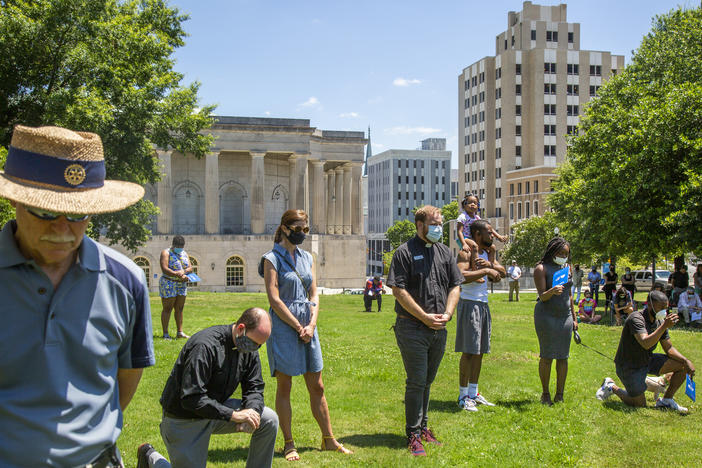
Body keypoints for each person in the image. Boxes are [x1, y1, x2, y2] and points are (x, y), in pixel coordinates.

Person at [0, 125, 154, 467]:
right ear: (14, 198)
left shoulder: (126, 281)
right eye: (44, 211)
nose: (61, 228)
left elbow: (125, 378)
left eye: (77, 213)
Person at [260, 209, 351, 461]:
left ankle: (329, 439)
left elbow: (314, 294)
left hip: (309, 327)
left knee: (317, 385)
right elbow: (274, 299)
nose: (301, 234)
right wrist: (296, 326)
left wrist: (310, 325)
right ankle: (289, 443)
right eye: (297, 229)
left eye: (305, 229)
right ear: (285, 228)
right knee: (285, 385)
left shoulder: (307, 257)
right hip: (284, 327)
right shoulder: (271, 259)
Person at [142, 307, 279, 468]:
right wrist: (234, 415)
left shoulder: (249, 348)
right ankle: (150, 456)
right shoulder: (204, 346)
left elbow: (254, 387)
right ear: (241, 328)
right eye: (254, 343)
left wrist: (252, 412)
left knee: (268, 419)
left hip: (215, 412)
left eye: (259, 346)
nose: (255, 349)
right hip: (184, 418)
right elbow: (191, 398)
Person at [387, 205, 463, 456]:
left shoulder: (444, 252)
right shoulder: (404, 252)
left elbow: (455, 286)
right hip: (412, 328)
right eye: (434, 224)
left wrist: (448, 314)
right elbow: (398, 290)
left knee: (427, 381)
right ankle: (413, 434)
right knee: (417, 380)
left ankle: (424, 428)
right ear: (420, 225)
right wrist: (423, 316)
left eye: (440, 223)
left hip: (438, 328)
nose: (439, 228)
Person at [596, 291, 696, 413]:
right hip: (629, 365)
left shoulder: (660, 321)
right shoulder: (636, 318)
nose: (664, 311)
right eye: (661, 307)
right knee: (639, 404)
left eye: (666, 308)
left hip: (647, 360)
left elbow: (669, 348)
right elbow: (645, 343)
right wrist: (664, 326)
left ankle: (667, 400)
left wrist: (686, 361)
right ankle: (611, 386)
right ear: (649, 304)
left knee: (682, 365)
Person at [455, 220, 506, 412]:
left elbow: (502, 273)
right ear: (477, 234)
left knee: (480, 351)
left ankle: (474, 393)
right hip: (469, 304)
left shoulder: (485, 254)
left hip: (483, 305)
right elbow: (459, 276)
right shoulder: (465, 253)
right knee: (469, 352)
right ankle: (463, 396)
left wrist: (491, 265)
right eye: (489, 232)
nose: (492, 236)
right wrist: (485, 270)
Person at [533, 237, 576, 405]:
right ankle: (545, 394)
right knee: (547, 355)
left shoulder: (567, 268)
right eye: (561, 253)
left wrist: (574, 317)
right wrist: (552, 291)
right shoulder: (541, 269)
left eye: (566, 253)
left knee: (563, 356)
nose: (564, 256)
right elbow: (542, 296)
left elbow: (570, 295)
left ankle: (560, 394)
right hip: (546, 316)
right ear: (552, 252)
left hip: (565, 316)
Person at [456, 195, 507, 282]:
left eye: (475, 203)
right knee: (474, 246)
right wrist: (464, 243)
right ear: (464, 205)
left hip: (472, 239)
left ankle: (490, 271)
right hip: (465, 238)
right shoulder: (463, 217)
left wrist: (498, 236)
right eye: (469, 203)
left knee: (493, 247)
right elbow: (459, 231)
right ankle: (476, 271)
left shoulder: (477, 218)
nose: (472, 205)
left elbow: (489, 229)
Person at [159, 235, 192, 339]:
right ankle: (165, 333)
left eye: (181, 246)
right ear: (173, 245)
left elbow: (190, 267)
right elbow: (164, 268)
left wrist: (185, 272)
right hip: (169, 283)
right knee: (167, 308)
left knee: (179, 308)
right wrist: (176, 274)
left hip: (181, 284)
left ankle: (180, 332)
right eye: (178, 246)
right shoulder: (166, 253)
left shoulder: (184, 253)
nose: (180, 248)